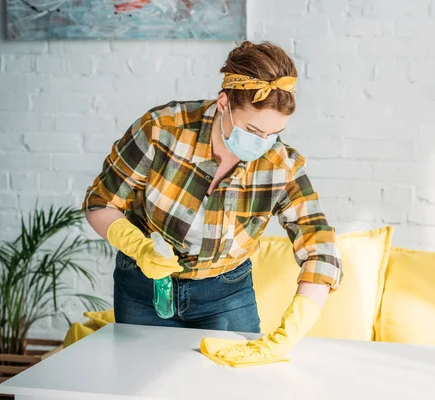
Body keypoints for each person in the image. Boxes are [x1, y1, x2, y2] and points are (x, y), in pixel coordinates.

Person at [82, 41, 342, 362]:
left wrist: (286, 337)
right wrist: (139, 248)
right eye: (252, 129)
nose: (262, 143)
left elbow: (321, 248)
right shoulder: (162, 131)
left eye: (274, 133)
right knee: (140, 384)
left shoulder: (280, 165)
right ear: (223, 103)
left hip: (226, 294)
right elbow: (100, 203)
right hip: (143, 289)